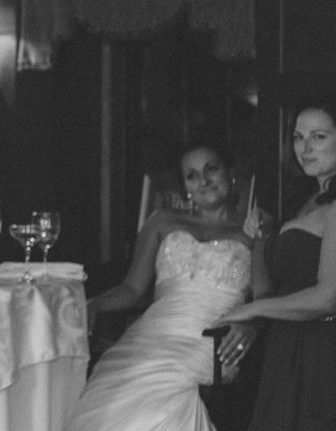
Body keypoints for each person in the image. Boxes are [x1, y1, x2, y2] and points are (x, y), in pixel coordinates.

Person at [64, 140, 268, 431]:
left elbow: (264, 295)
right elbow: (132, 289)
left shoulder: (252, 231)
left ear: (231, 173)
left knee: (164, 399)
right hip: (151, 335)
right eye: (192, 175)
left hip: (211, 338)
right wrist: (94, 304)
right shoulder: (162, 221)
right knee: (118, 394)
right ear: (185, 186)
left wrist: (250, 324)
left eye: (211, 169)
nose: (203, 181)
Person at [217, 95, 336, 430]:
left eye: (319, 136)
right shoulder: (308, 198)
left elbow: (327, 297)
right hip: (289, 344)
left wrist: (251, 311)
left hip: (322, 349)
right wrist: (264, 234)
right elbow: (271, 283)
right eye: (298, 137)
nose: (304, 148)